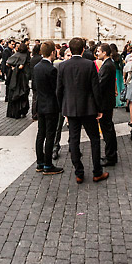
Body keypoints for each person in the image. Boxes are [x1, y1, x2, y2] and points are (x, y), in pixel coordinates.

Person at [57, 38, 107, 183]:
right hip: (89, 108)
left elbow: (59, 90)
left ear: (70, 50)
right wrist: (99, 108)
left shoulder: (63, 66)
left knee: (74, 140)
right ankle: (97, 172)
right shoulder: (89, 65)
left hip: (71, 109)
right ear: (83, 49)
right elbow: (95, 88)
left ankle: (79, 172)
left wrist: (63, 108)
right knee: (95, 139)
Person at [32, 41, 64, 175]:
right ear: (52, 52)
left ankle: (39, 162)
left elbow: (34, 86)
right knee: (50, 135)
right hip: (51, 105)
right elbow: (55, 89)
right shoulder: (51, 69)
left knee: (41, 133)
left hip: (40, 104)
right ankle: (48, 164)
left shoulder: (37, 67)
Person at [96, 43, 118, 166]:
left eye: (99, 51)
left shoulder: (108, 65)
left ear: (104, 53)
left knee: (107, 130)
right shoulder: (108, 64)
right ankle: (111, 154)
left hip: (105, 103)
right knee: (108, 129)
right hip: (107, 101)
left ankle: (111, 156)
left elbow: (101, 84)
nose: (97, 53)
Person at [6, 42, 30, 119]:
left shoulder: (16, 55)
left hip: (15, 78)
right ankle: (22, 110)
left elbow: (8, 62)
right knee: (23, 93)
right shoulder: (26, 55)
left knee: (15, 93)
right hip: (22, 78)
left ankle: (14, 112)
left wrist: (13, 67)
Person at [29, 43, 43, 120]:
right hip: (39, 80)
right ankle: (37, 113)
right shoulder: (40, 59)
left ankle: (34, 113)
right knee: (38, 97)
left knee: (34, 98)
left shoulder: (32, 58)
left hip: (33, 80)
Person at [110, 43, 125, 109]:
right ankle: (121, 100)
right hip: (118, 71)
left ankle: (116, 102)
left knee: (114, 87)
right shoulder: (118, 56)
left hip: (113, 72)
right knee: (120, 86)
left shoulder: (110, 56)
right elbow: (121, 65)